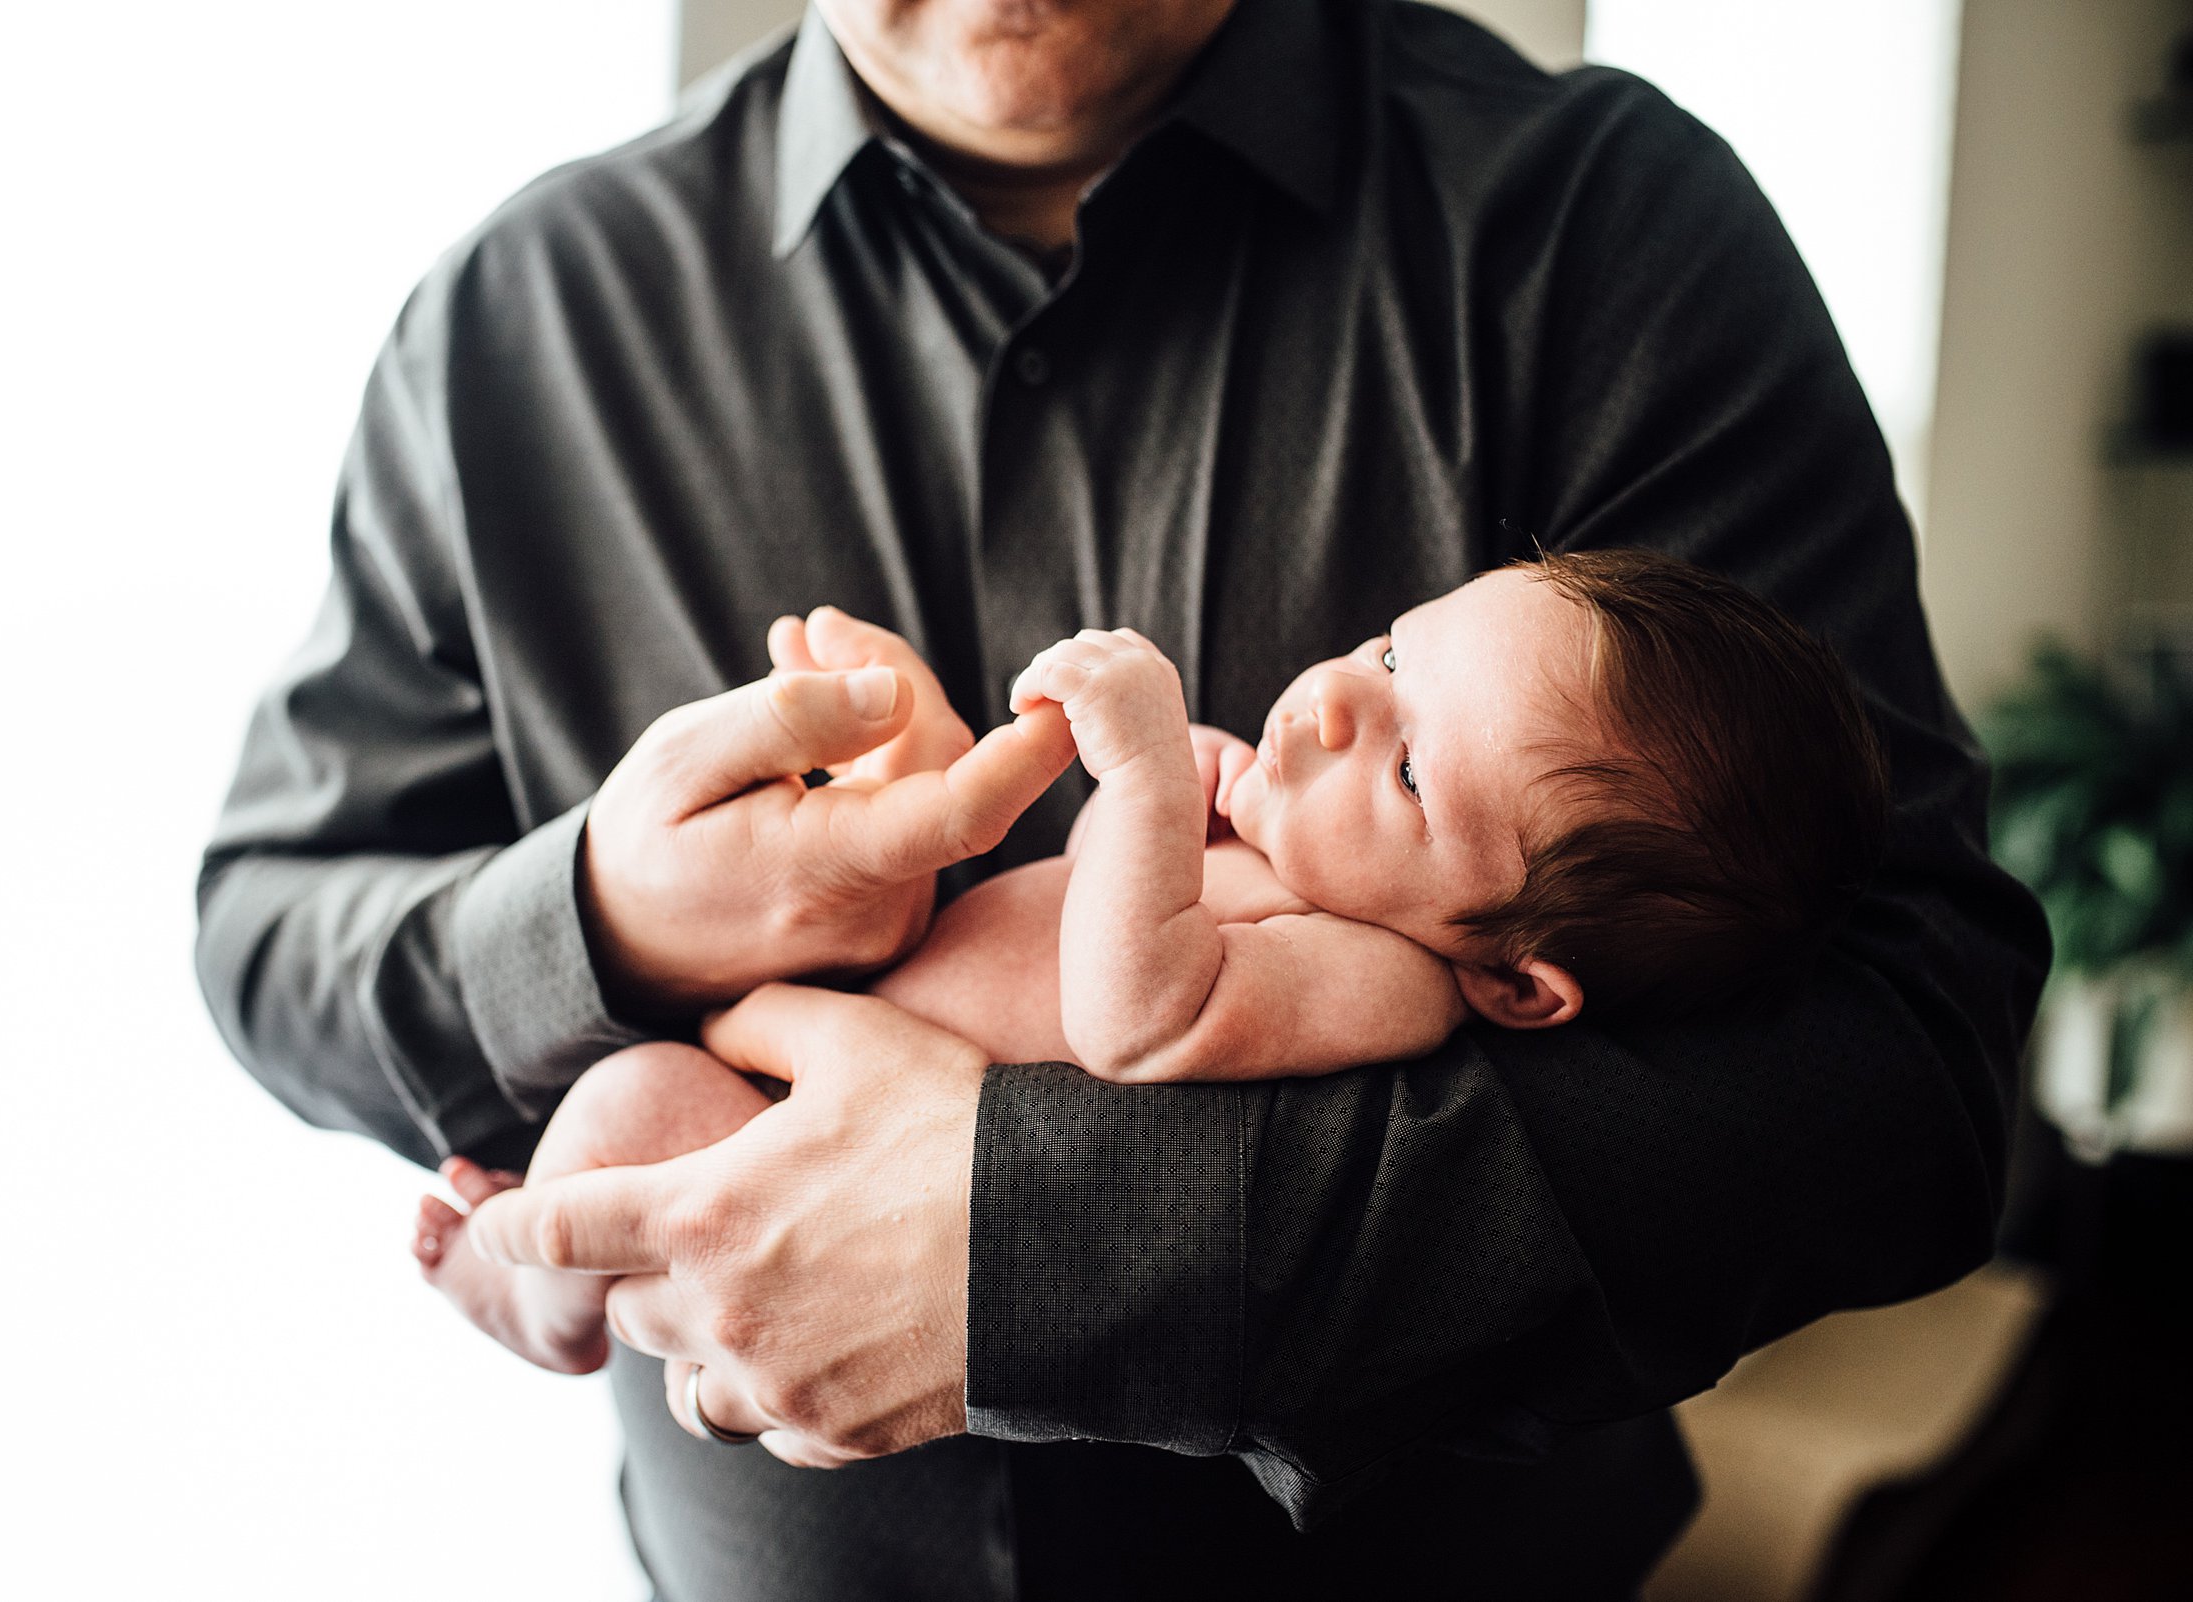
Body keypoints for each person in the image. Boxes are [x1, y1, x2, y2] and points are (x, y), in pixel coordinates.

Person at [196, 1, 2049, 1595]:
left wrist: (1056, 1249)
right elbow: (275, 925)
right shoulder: (523, 320)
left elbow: (1905, 1066)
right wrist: (597, 913)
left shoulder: (1599, 232)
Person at [416, 549, 1893, 1382]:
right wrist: (1045, 793)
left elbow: (1143, 1018)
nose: (1324, 707)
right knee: (888, 842)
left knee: (627, 1122)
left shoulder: (1385, 977)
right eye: (1389, 654)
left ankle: (537, 1305)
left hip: (790, 1136)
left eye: (1412, 777)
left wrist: (1135, 786)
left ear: (1517, 978)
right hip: (870, 995)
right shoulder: (1306, 861)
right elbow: (1051, 925)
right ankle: (905, 756)